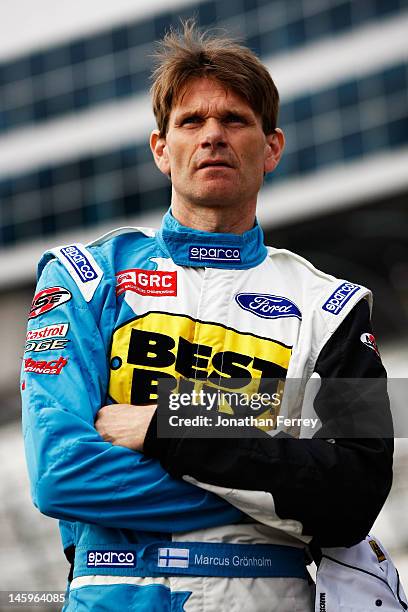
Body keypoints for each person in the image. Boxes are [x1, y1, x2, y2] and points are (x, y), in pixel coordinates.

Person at [21, 21, 393, 611]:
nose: (212, 135)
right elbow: (61, 474)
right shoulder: (81, 279)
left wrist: (163, 428)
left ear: (272, 147)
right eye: (191, 122)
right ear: (161, 150)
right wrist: (284, 489)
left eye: (235, 120)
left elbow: (357, 495)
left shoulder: (339, 308)